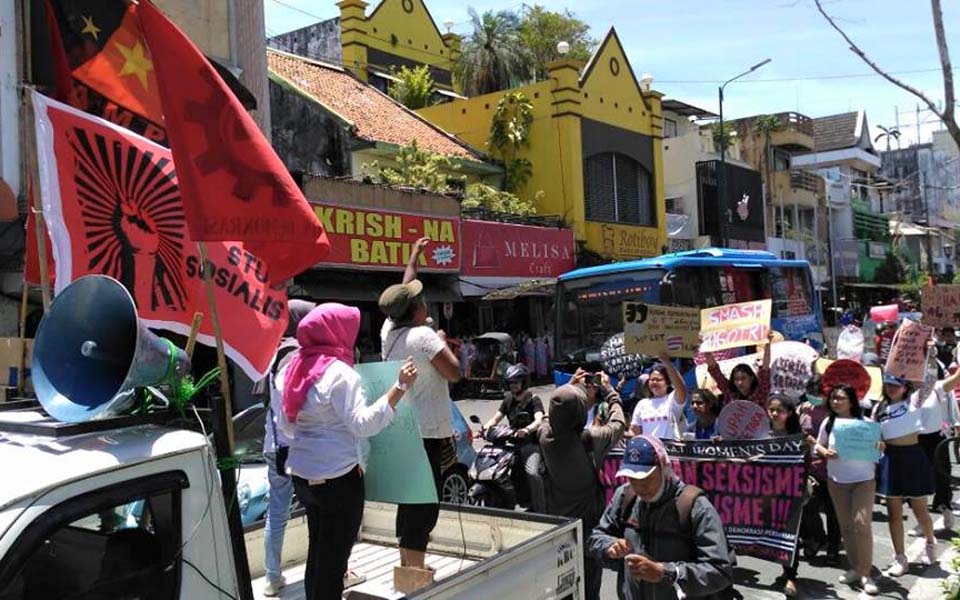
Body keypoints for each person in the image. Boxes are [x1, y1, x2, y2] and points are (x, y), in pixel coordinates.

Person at [279, 303, 418, 600]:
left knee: (317, 551)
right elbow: (362, 424)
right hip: (338, 478)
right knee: (334, 560)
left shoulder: (294, 368)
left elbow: (287, 428)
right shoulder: (340, 373)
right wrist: (399, 387)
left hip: (303, 475)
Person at [380, 237, 462, 571]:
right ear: (416, 311)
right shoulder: (424, 336)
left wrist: (414, 257)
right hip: (427, 432)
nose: (426, 303)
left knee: (410, 500)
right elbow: (454, 372)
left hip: (403, 430)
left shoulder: (390, 330)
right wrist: (442, 341)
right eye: (422, 301)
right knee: (425, 505)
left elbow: (403, 289)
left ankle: (409, 563)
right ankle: (413, 570)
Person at [588, 435, 735, 600]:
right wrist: (610, 546)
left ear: (664, 468)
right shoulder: (624, 496)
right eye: (632, 478)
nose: (639, 486)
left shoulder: (695, 507)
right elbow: (595, 538)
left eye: (646, 478)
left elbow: (720, 571)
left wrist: (666, 573)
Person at [539, 375, 626, 600]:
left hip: (558, 528)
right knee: (588, 588)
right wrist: (609, 391)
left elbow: (554, 413)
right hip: (587, 530)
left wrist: (569, 387)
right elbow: (618, 424)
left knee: (564, 586)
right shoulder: (589, 439)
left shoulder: (545, 436)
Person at [872, 369, 960, 577]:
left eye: (896, 385)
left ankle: (930, 543)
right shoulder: (879, 407)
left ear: (906, 387)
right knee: (893, 513)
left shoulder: (915, 400)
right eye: (888, 384)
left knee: (920, 510)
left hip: (912, 457)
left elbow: (931, 380)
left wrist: (929, 354)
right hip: (890, 460)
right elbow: (874, 433)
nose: (891, 388)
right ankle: (900, 558)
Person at [262, 299, 315, 597]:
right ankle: (329, 569)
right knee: (317, 507)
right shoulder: (296, 355)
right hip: (297, 446)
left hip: (273, 445)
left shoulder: (272, 354)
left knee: (277, 511)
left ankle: (272, 576)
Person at [813, 384, 882, 596]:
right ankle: (855, 567)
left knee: (861, 524)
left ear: (852, 401)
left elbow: (879, 448)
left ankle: (866, 573)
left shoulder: (867, 423)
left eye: (841, 398)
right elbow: (818, 445)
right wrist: (826, 452)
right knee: (846, 527)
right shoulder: (829, 422)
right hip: (837, 480)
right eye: (833, 398)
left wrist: (881, 446)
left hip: (864, 480)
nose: (835, 402)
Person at [481, 363, 546, 512]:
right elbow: (496, 418)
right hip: (510, 444)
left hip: (529, 444)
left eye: (516, 382)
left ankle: (541, 510)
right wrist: (484, 428)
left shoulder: (533, 399)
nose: (513, 386)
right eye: (510, 383)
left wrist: (527, 430)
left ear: (524, 383)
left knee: (532, 473)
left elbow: (538, 420)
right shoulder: (508, 399)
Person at [797, 373, 841, 564]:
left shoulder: (835, 413)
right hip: (811, 470)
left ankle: (833, 548)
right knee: (808, 505)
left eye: (818, 393)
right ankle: (816, 537)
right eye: (811, 392)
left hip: (832, 470)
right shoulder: (804, 410)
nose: (814, 396)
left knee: (833, 512)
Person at [917, 341, 960, 533]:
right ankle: (922, 521)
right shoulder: (908, 390)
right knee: (917, 483)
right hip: (914, 439)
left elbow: (956, 378)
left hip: (938, 438)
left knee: (941, 477)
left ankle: (946, 508)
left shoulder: (939, 387)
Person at [766, 394, 802, 597]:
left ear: (788, 413)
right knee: (774, 533)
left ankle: (791, 576)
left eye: (778, 410)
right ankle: (784, 568)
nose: (774, 413)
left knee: (789, 534)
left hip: (789, 493)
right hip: (765, 493)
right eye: (771, 409)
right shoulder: (762, 433)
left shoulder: (797, 436)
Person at [703, 332, 773, 407]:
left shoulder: (760, 393)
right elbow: (715, 370)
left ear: (751, 378)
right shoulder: (729, 393)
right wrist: (705, 348)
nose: (740, 382)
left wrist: (767, 344)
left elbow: (765, 369)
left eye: (743, 378)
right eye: (736, 379)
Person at [628, 354, 687, 440]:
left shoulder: (672, 400)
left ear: (667, 383)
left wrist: (667, 363)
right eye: (652, 380)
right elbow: (635, 432)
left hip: (670, 450)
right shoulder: (642, 404)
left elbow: (681, 387)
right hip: (648, 451)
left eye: (659, 380)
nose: (654, 382)